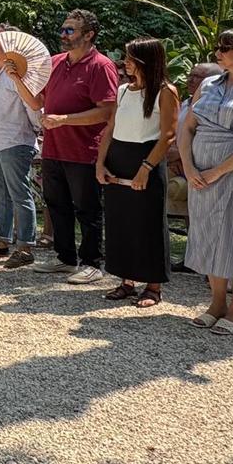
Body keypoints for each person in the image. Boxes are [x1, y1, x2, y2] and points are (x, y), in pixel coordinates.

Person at [20, 9, 118, 284]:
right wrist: (17, 78)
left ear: (89, 35)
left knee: (86, 208)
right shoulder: (55, 63)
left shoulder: (101, 66)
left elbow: (107, 112)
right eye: (62, 30)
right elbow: (37, 102)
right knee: (57, 205)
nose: (63, 35)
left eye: (70, 30)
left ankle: (92, 262)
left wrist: (64, 120)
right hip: (53, 149)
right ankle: (65, 258)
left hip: (85, 150)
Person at [96, 37, 179, 307]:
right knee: (120, 221)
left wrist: (146, 168)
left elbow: (167, 135)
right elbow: (110, 129)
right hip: (119, 156)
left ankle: (153, 285)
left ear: (146, 60)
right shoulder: (123, 90)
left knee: (148, 223)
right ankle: (126, 279)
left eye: (131, 58)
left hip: (147, 158)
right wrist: (100, 162)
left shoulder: (166, 91)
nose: (125, 62)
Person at [179, 28, 233, 335]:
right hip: (200, 174)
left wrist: (219, 170)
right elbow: (188, 127)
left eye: (224, 47)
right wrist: (189, 166)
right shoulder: (208, 83)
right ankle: (216, 302)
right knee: (208, 234)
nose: (217, 53)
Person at [0, 24, 43, 267]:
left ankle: (25, 245)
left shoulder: (21, 70)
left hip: (16, 139)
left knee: (19, 193)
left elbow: (33, 105)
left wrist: (37, 129)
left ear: (8, 41)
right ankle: (1, 240)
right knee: (0, 194)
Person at [166, 62, 222, 273]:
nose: (190, 80)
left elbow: (203, 136)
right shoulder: (184, 103)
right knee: (192, 216)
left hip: (201, 166)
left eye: (197, 77)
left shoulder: (214, 105)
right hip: (179, 164)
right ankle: (193, 258)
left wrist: (185, 159)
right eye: (190, 75)